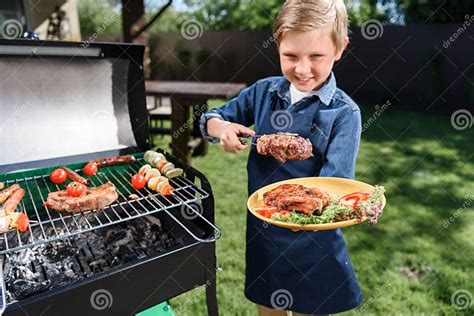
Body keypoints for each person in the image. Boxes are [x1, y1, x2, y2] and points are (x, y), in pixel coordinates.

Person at [199, 0, 362, 315]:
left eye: (316, 56)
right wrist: (222, 129)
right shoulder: (263, 93)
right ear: (278, 47)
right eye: (290, 56)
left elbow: (335, 186)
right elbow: (211, 117)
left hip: (314, 243)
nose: (302, 69)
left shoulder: (344, 113)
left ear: (339, 49)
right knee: (269, 309)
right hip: (265, 237)